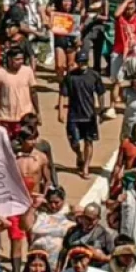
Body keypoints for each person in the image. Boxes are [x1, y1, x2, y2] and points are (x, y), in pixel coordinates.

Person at [58, 50, 104, 179]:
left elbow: (100, 93)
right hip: (74, 115)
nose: (82, 64)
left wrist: (101, 109)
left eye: (84, 62)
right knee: (74, 142)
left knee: (89, 141)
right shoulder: (70, 77)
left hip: (89, 115)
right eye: (80, 62)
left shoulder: (94, 75)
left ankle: (85, 167)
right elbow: (63, 93)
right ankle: (79, 154)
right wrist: (61, 111)